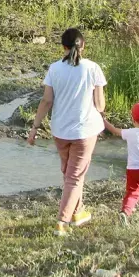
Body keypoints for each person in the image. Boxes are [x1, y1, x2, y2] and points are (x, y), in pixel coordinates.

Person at [27, 28, 107, 236]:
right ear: (83, 46)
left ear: (63, 47)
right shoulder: (93, 68)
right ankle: (62, 222)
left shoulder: (54, 69)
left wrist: (34, 128)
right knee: (74, 177)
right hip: (84, 131)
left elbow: (46, 101)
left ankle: (78, 212)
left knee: (70, 174)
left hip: (60, 131)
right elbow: (99, 105)